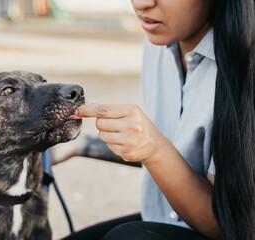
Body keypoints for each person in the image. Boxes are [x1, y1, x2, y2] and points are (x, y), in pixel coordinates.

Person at [50, 0, 255, 239]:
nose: (140, 3)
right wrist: (80, 145)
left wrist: (154, 149)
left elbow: (228, 225)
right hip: (165, 218)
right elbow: (174, 149)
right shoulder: (158, 44)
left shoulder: (245, 66)